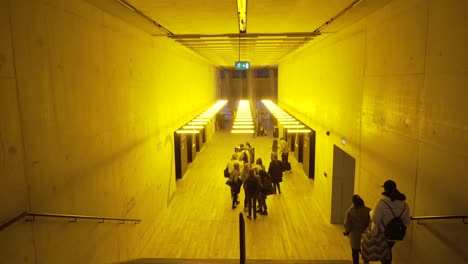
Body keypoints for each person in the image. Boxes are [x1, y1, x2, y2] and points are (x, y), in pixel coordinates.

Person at [371, 180, 411, 264]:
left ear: (385, 189)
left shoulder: (382, 202)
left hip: (384, 233)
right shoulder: (404, 204)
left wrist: (370, 213)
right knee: (388, 250)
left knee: (384, 253)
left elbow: (375, 219)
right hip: (396, 234)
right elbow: (407, 221)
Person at [344, 195, 371, 264]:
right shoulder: (368, 210)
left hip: (354, 236)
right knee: (365, 254)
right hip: (366, 236)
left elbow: (347, 225)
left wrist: (347, 231)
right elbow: (371, 223)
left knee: (355, 254)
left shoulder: (350, 212)